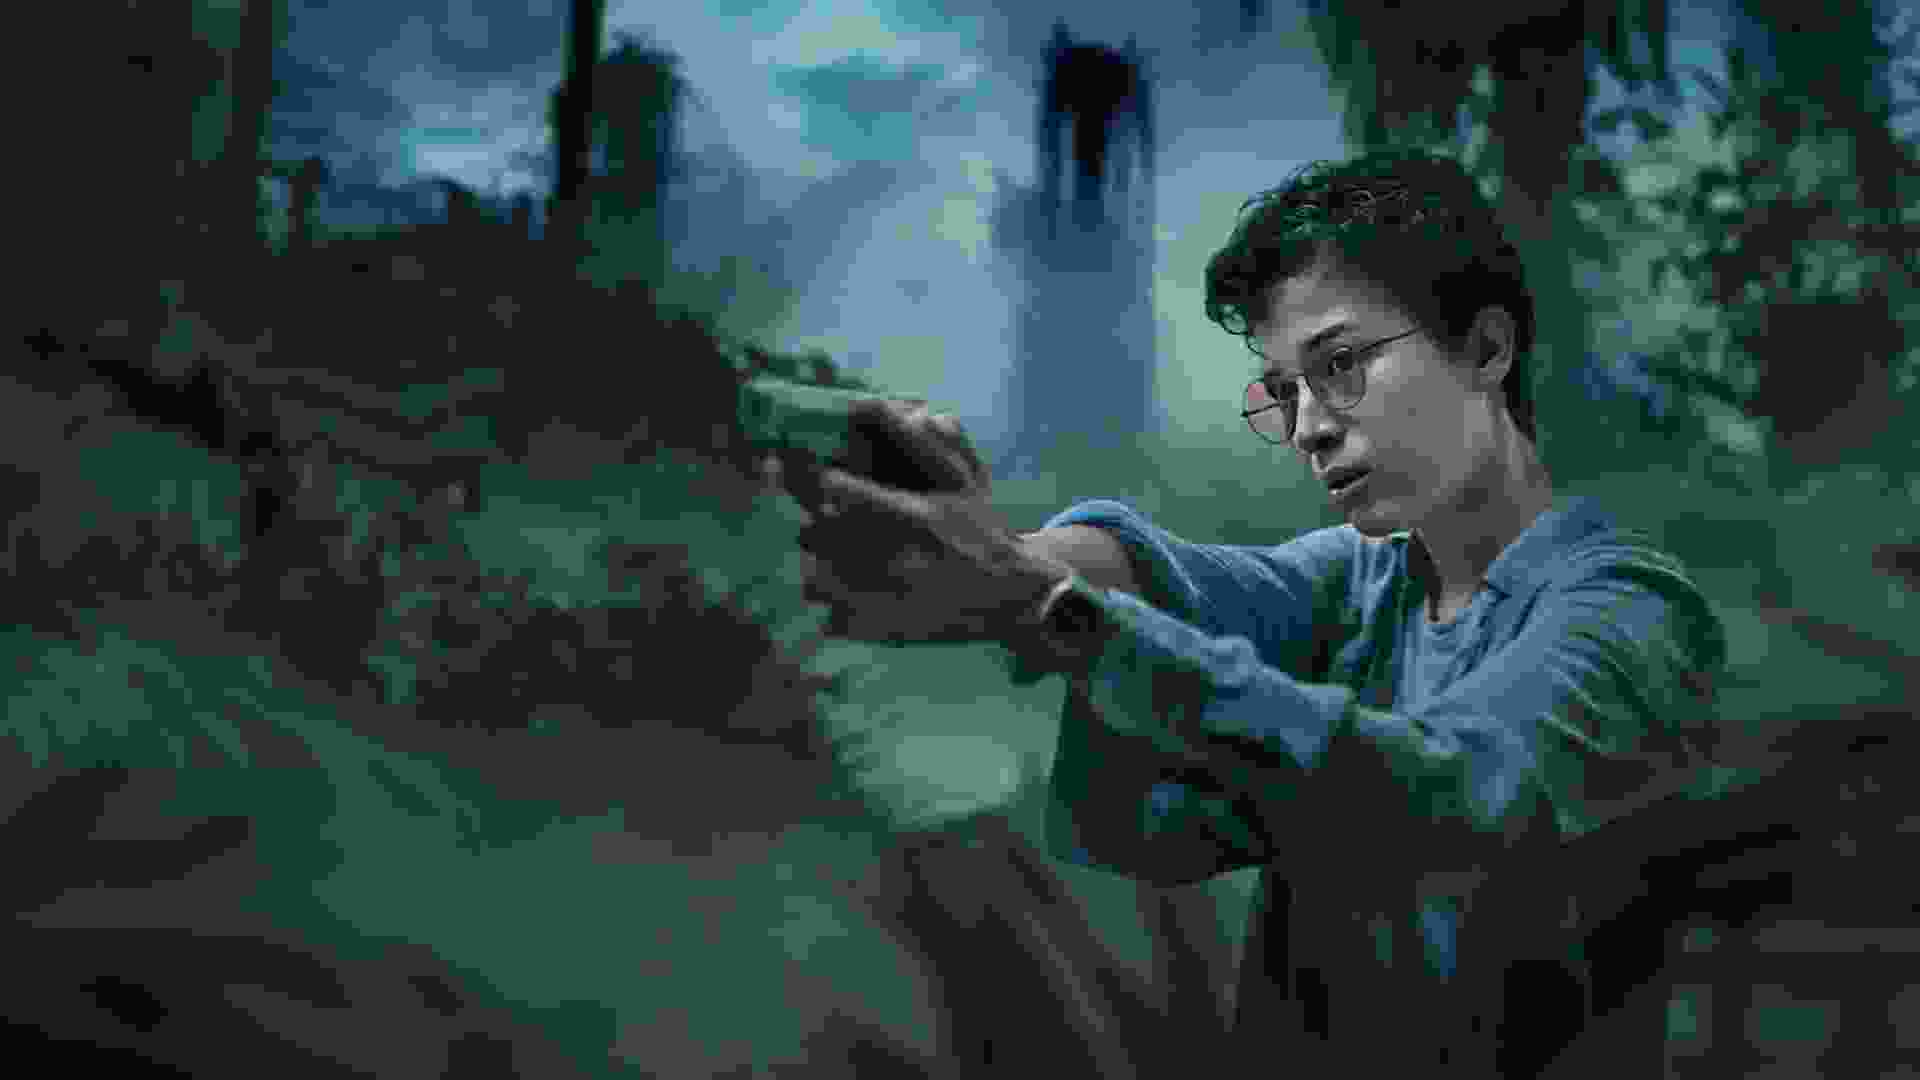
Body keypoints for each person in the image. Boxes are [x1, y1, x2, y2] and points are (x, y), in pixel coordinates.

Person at [772, 145, 1728, 1077]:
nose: (1308, 426)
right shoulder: (1360, 584)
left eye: (1342, 363)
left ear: (1484, 348)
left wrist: (1030, 598)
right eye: (1283, 391)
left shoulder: (1638, 619)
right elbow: (1170, 579)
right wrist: (966, 546)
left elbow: (1449, 798)